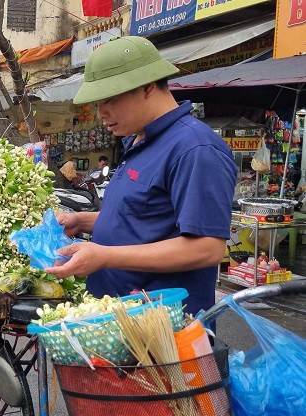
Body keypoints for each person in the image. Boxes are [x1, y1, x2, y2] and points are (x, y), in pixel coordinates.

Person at [45, 36, 237, 317]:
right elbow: (143, 218)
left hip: (163, 329)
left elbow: (207, 248)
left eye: (109, 99)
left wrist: (105, 256)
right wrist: (81, 222)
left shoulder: (194, 148)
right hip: (118, 319)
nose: (100, 113)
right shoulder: (138, 140)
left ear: (148, 86)